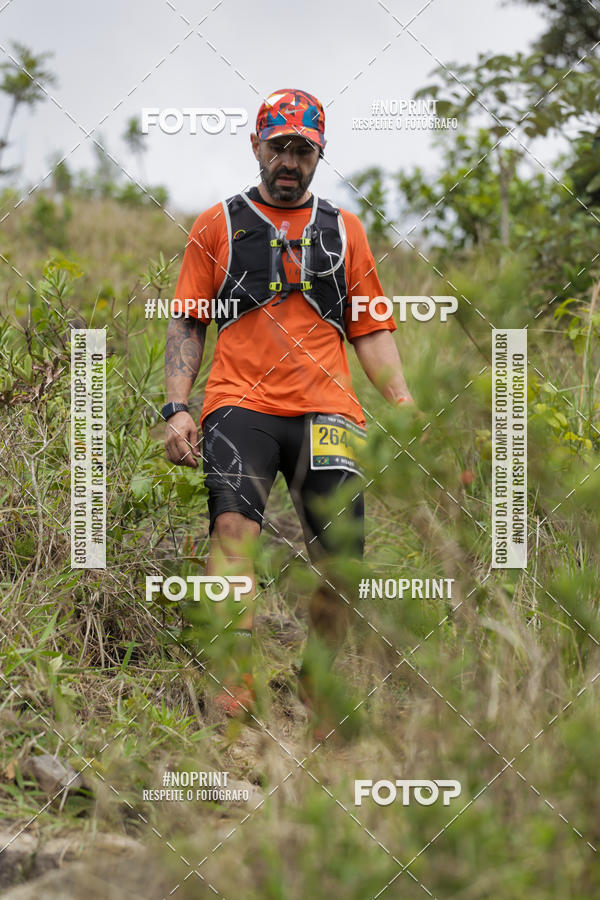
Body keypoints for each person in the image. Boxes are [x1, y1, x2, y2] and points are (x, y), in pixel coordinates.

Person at [163, 88, 413, 729]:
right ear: (256, 145)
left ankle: (316, 679)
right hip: (239, 404)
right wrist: (177, 406)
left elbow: (370, 328)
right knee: (232, 528)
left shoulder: (346, 230)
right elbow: (188, 321)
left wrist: (402, 402)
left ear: (319, 154)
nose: (290, 162)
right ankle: (236, 682)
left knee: (343, 558)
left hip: (329, 412)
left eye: (304, 150)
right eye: (279, 147)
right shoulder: (218, 225)